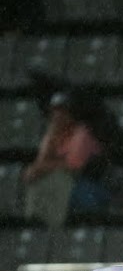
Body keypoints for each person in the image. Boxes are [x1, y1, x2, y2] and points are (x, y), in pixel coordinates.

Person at [24, 91, 114, 231]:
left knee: (56, 180)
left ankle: (53, 229)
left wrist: (43, 168)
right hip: (70, 186)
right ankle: (35, 225)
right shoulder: (54, 134)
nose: (58, 116)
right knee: (39, 181)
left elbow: (73, 168)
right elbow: (38, 165)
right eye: (55, 112)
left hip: (91, 189)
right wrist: (50, 139)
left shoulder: (82, 133)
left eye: (62, 112)